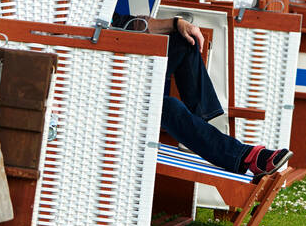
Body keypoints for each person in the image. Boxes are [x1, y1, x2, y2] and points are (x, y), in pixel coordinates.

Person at [112, 12, 292, 180]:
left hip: (122, 71)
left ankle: (199, 125)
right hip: (104, 87)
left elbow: (127, 24)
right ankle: (245, 156)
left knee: (185, 40)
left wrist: (177, 23)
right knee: (168, 107)